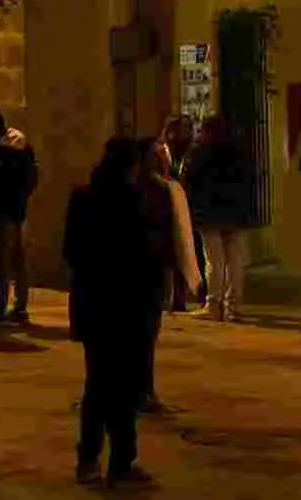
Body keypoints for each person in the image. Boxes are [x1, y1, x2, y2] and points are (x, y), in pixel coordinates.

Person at [64, 137, 169, 489]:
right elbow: (143, 256)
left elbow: (70, 251)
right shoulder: (134, 201)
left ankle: (89, 460)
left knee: (97, 384)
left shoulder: (81, 198)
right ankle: (121, 462)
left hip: (92, 304)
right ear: (132, 166)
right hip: (126, 306)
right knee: (123, 389)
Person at [137, 137, 200, 414]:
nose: (163, 156)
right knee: (143, 337)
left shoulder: (162, 188)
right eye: (157, 153)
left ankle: (138, 391)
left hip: (145, 272)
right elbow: (169, 235)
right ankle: (142, 392)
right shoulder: (158, 190)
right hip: (145, 272)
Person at [184, 115, 253, 321]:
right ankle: (234, 307)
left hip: (209, 212)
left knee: (214, 261)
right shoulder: (239, 152)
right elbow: (249, 180)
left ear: (206, 131)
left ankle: (213, 305)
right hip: (236, 212)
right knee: (235, 262)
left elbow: (190, 179)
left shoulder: (200, 152)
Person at [0, 108, 39, 323]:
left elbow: (17, 178)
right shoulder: (2, 145)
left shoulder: (14, 143)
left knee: (13, 259)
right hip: (3, 210)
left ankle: (16, 306)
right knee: (1, 261)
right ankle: (5, 305)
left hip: (10, 211)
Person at [160, 115, 205, 310]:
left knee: (194, 254)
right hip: (168, 210)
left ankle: (197, 295)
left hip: (190, 211)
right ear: (170, 131)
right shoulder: (161, 153)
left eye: (189, 129)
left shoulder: (193, 154)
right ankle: (175, 298)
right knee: (171, 256)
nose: (187, 133)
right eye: (182, 129)